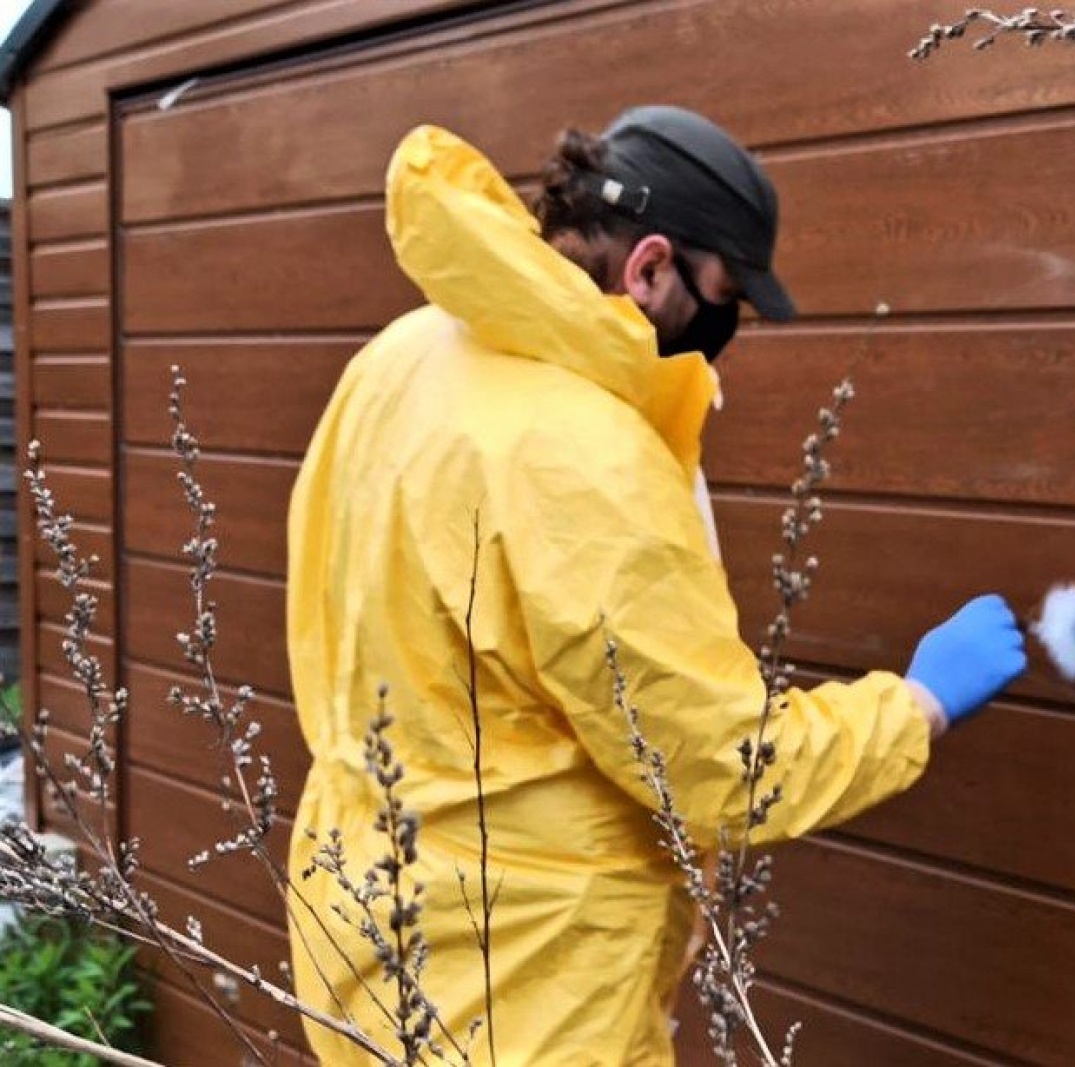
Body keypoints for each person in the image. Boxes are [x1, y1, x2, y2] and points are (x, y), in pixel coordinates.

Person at [284, 106, 1027, 1065]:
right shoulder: (584, 452)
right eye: (724, 297)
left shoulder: (400, 355)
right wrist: (916, 704)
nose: (727, 332)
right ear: (649, 268)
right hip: (525, 996)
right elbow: (720, 768)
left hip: (360, 934)